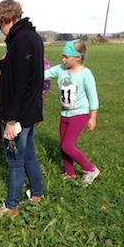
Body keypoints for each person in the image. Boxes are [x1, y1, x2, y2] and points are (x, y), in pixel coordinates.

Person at [0, 0, 44, 217]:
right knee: (29, 155)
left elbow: (20, 83)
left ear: (6, 19)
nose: (1, 31)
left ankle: (11, 206)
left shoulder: (19, 41)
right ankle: (37, 193)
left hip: (17, 115)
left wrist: (10, 120)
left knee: (14, 160)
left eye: (0, 26)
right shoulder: (32, 37)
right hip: (29, 111)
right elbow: (14, 65)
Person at [44, 40, 100, 187]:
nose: (63, 59)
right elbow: (45, 74)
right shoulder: (61, 69)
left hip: (79, 114)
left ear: (78, 57)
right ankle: (70, 173)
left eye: (66, 57)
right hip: (65, 114)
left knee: (67, 145)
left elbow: (93, 97)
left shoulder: (85, 74)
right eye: (63, 56)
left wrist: (92, 118)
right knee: (62, 144)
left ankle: (90, 169)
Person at [0, 57, 50, 162]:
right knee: (0, 125)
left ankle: (19, 157)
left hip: (24, 105)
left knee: (21, 131)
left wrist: (39, 103)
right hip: (9, 101)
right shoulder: (11, 53)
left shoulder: (40, 61)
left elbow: (44, 84)